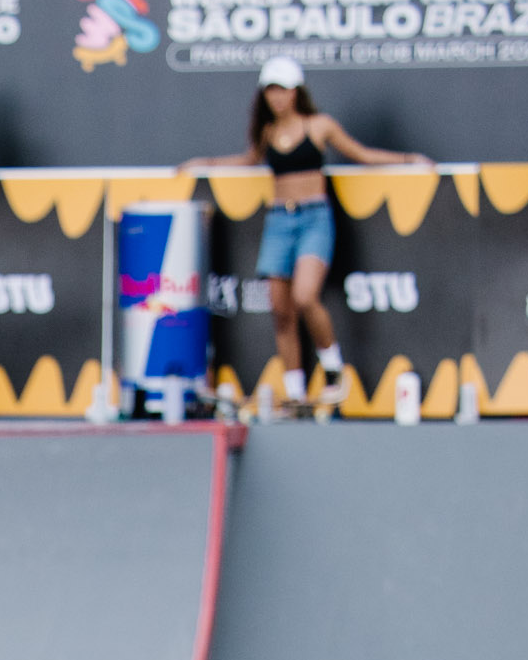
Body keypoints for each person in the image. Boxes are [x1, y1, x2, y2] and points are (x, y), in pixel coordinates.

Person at [178, 58, 432, 416]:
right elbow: (247, 160)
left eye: (282, 90)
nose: (277, 98)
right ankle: (296, 391)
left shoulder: (319, 126)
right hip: (279, 219)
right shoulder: (267, 133)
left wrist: (409, 160)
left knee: (305, 295)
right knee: (280, 308)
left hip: (314, 218)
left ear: (296, 91)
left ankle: (332, 369)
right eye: (271, 90)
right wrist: (201, 162)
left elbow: (361, 154)